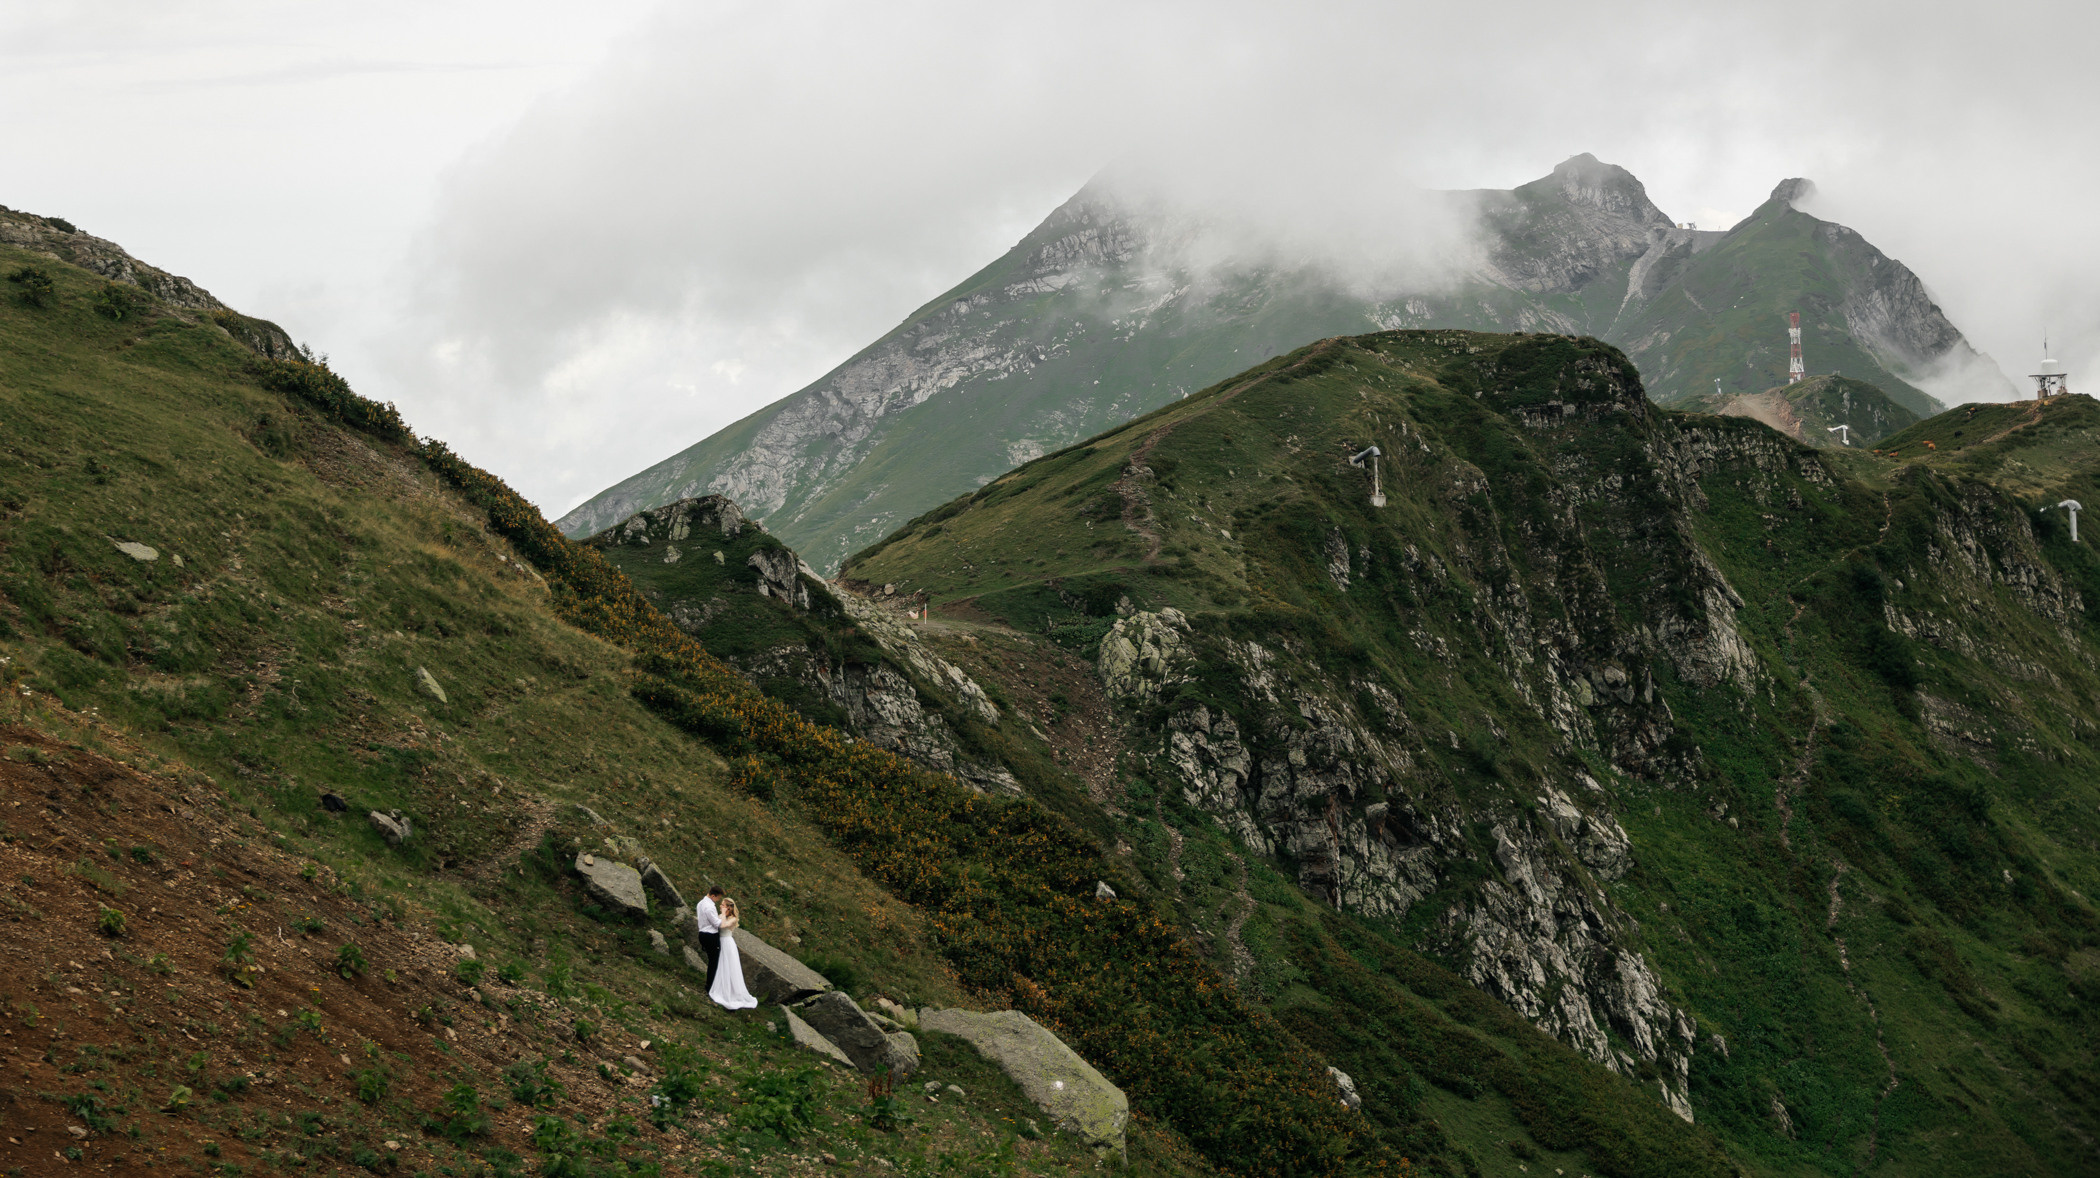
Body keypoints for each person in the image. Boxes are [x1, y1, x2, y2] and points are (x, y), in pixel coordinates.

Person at [708, 897, 758, 1010]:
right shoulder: (722, 916)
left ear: (728, 907)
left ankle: (730, 992)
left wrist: (722, 914)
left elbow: (723, 926)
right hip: (719, 942)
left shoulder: (733, 919)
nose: (720, 906)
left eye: (723, 905)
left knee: (728, 966)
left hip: (727, 943)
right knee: (720, 965)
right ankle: (719, 986)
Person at [694, 886, 726, 984]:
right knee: (714, 962)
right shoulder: (709, 907)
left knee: (712, 960)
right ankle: (710, 985)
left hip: (702, 933)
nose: (718, 900)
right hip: (710, 935)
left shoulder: (700, 903)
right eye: (718, 898)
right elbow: (717, 923)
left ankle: (711, 984)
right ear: (713, 896)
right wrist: (723, 915)